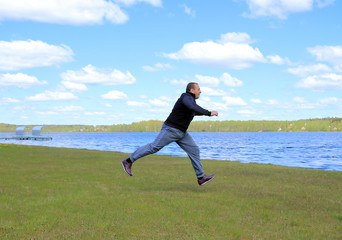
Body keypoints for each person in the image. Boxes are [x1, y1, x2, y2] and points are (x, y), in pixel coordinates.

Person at [121, 82, 219, 186]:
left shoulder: (191, 102)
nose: (200, 91)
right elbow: (192, 107)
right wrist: (208, 113)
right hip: (170, 129)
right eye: (198, 89)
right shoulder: (185, 97)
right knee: (154, 147)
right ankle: (128, 161)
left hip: (182, 133)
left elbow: (194, 110)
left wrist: (207, 114)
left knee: (194, 150)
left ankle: (201, 178)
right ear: (191, 90)